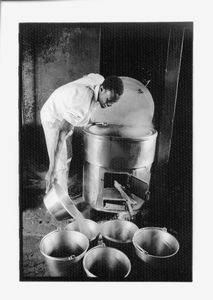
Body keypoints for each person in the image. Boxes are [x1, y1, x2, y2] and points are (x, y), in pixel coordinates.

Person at [40, 73, 124, 194]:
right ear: (101, 89)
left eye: (112, 103)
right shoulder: (81, 104)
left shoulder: (99, 79)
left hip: (66, 111)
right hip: (53, 118)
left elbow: (87, 76)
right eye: (108, 100)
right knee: (60, 162)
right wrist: (51, 168)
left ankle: (61, 185)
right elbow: (61, 134)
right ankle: (58, 198)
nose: (109, 105)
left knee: (68, 154)